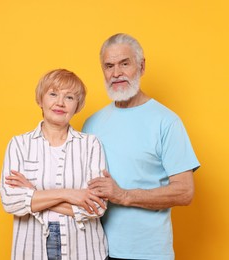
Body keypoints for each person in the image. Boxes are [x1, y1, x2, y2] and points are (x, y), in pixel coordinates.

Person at [82, 33, 200, 260]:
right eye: (109, 66)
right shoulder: (91, 123)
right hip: (95, 249)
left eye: (124, 64)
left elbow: (185, 192)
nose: (116, 73)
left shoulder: (167, 122)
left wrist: (123, 195)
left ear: (142, 66)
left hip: (148, 253)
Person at [0, 69, 109, 260]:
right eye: (53, 94)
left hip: (84, 250)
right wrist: (70, 194)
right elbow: (10, 201)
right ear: (40, 100)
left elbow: (97, 207)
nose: (60, 102)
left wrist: (33, 194)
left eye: (69, 97)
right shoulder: (19, 144)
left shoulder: (91, 144)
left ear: (78, 106)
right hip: (32, 250)